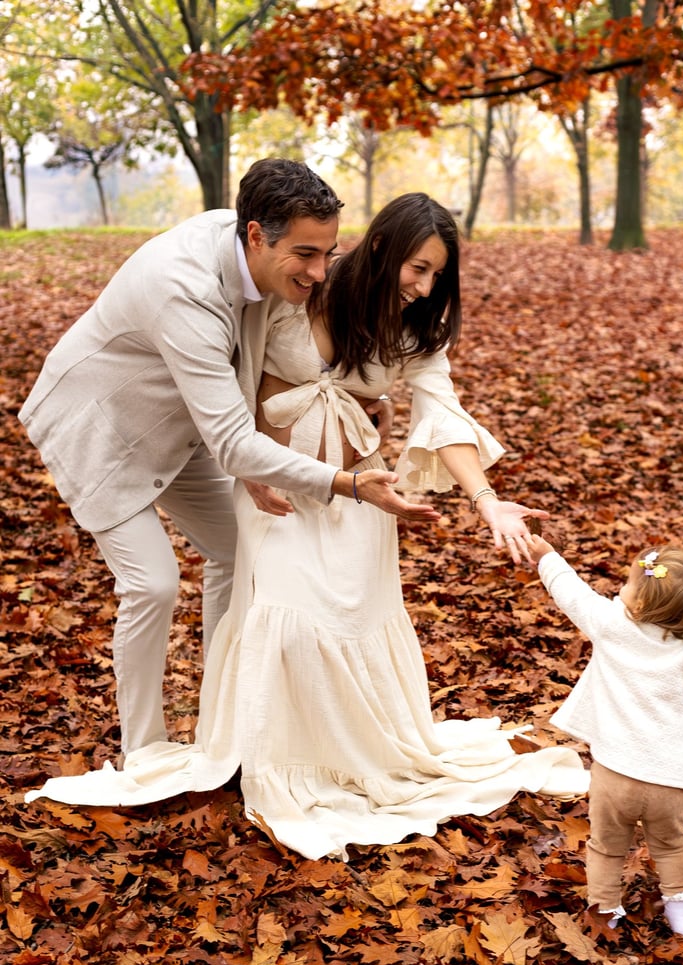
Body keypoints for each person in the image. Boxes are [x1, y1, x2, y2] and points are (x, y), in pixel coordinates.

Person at [26, 192, 590, 859]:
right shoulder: (289, 291)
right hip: (259, 473)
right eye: (417, 268)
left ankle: (261, 737)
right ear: (379, 249)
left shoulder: (410, 329)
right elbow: (243, 377)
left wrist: (486, 498)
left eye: (438, 274)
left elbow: (444, 411)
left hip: (355, 492)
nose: (425, 286)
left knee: (298, 599)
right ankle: (211, 745)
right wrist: (263, 457)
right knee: (218, 597)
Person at [18, 159, 437, 765]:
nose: (321, 272)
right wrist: (345, 484)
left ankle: (225, 724)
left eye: (328, 252)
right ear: (256, 237)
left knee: (239, 552)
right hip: (102, 432)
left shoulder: (252, 247)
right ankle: (144, 747)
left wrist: (371, 400)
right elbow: (236, 439)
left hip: (186, 432)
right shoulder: (183, 290)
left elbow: (257, 385)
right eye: (306, 255)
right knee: (155, 583)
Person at [527, 536, 683, 936]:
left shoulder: (611, 624)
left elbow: (571, 592)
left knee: (606, 847)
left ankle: (605, 911)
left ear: (641, 604)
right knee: (671, 845)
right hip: (666, 779)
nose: (619, 590)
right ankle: (681, 916)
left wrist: (547, 556)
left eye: (627, 584)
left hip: (614, 772)